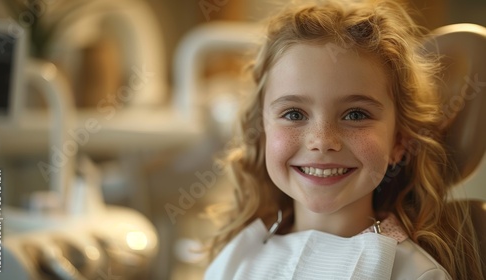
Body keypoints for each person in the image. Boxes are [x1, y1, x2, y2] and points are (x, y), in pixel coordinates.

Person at [204, 0, 483, 279]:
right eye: (293, 114)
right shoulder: (238, 257)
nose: (322, 140)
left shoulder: (414, 273)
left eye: (355, 114)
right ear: (262, 133)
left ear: (399, 141)